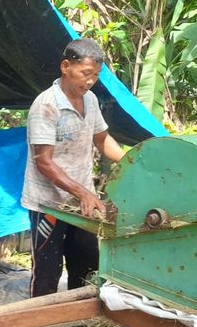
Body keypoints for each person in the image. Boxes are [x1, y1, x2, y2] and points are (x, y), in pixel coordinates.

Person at [21, 38, 125, 297]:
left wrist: (131, 163)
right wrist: (83, 192)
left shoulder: (89, 100)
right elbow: (43, 161)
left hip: (82, 203)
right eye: (86, 74)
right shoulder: (46, 105)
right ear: (66, 66)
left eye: (96, 76)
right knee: (47, 272)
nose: (90, 81)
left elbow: (102, 139)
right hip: (49, 204)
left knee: (87, 267)